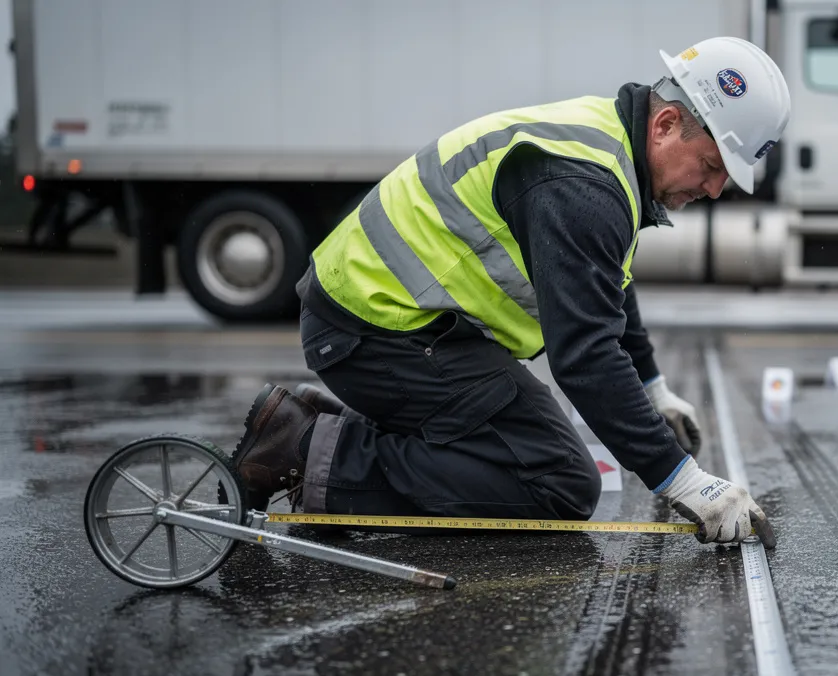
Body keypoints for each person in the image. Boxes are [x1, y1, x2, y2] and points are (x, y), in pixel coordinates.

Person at [229, 37, 789, 548]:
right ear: (666, 124)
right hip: (373, 330)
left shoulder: (609, 145)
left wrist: (653, 387)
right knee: (557, 482)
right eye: (713, 166)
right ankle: (301, 455)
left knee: (534, 449)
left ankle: (314, 432)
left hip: (402, 321)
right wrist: (684, 480)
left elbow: (606, 282)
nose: (716, 189)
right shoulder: (583, 187)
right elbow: (586, 355)